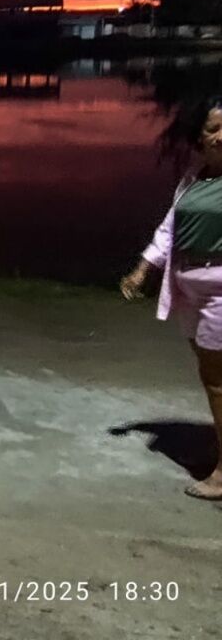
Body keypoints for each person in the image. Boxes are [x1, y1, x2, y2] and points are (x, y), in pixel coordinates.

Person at [122, 101, 222, 499]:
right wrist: (142, 269)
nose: (220, 137)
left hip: (220, 288)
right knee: (212, 375)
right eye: (213, 129)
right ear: (200, 137)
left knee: (217, 381)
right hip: (189, 288)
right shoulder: (193, 178)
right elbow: (169, 230)